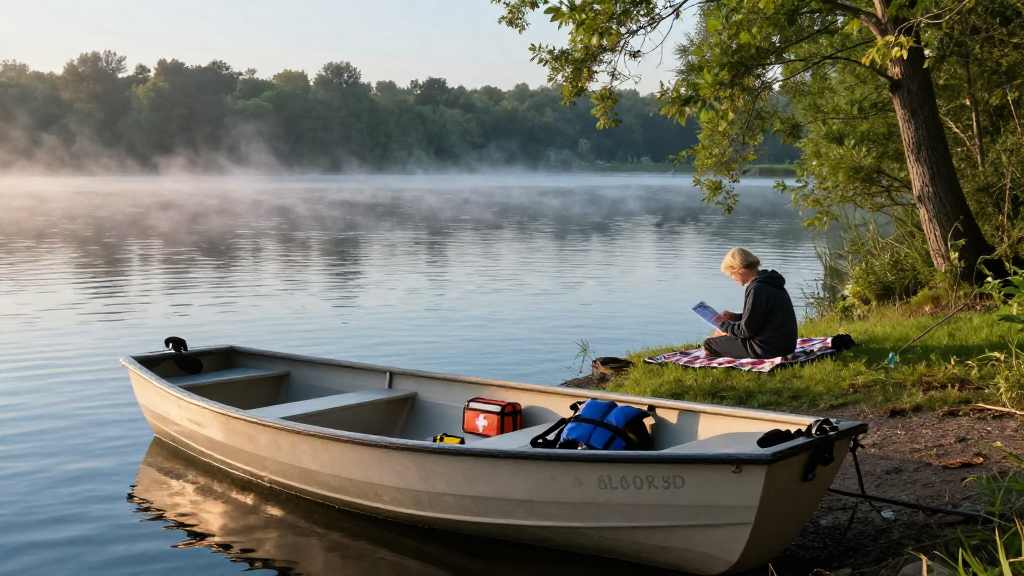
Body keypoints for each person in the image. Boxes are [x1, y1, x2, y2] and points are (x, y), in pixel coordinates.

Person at [702, 247, 798, 359]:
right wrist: (735, 317)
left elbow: (746, 331)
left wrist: (724, 324)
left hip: (766, 348)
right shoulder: (769, 281)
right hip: (785, 345)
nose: (733, 278)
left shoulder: (757, 288)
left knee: (709, 344)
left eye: (732, 274)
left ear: (738, 269)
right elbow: (760, 317)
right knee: (723, 335)